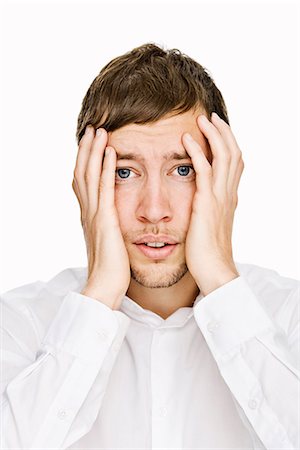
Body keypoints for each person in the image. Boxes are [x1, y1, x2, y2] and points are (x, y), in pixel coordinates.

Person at [1, 43, 299, 450]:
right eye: (125, 171)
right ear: (87, 180)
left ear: (223, 175)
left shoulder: (288, 315)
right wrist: (102, 291)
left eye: (183, 170)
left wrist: (221, 279)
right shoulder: (20, 324)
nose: (154, 210)